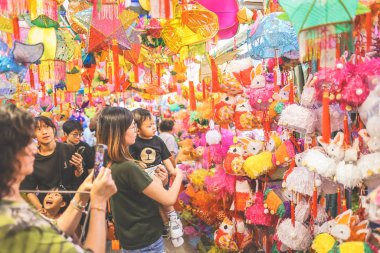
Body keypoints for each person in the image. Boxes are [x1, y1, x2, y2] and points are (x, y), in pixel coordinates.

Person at [0, 104, 117, 253]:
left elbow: (54, 231)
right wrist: (99, 203)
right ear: (8, 153)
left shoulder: (15, 210)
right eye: (27, 141)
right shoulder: (17, 226)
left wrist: (80, 195)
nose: (33, 148)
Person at [97, 106, 183, 252]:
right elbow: (168, 199)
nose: (136, 130)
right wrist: (179, 174)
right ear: (120, 132)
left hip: (131, 237)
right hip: (145, 239)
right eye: (132, 127)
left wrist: (159, 181)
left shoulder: (109, 161)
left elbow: (135, 193)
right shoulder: (128, 167)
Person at [129, 108, 184, 247]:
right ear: (137, 129)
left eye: (153, 124)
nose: (153, 127)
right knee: (157, 201)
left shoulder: (158, 140)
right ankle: (167, 223)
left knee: (162, 196)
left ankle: (172, 219)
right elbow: (129, 159)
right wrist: (136, 162)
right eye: (148, 125)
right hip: (144, 175)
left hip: (158, 172)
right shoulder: (134, 142)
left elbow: (165, 157)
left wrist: (172, 171)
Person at [20, 116, 86, 212]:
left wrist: (79, 170)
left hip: (70, 203)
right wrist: (41, 209)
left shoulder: (68, 149)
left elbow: (76, 177)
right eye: (38, 129)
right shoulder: (31, 159)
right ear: (33, 134)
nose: (44, 132)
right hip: (48, 205)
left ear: (54, 129)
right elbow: (29, 190)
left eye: (46, 127)